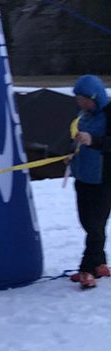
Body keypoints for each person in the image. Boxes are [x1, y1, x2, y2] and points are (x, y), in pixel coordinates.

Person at [70, 75, 111, 289]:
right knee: (88, 221)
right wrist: (71, 155)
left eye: (83, 99)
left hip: (103, 179)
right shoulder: (83, 115)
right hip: (83, 176)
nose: (80, 103)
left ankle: (86, 269)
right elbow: (77, 140)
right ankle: (100, 263)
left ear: (95, 97)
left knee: (95, 225)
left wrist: (92, 140)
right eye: (78, 99)